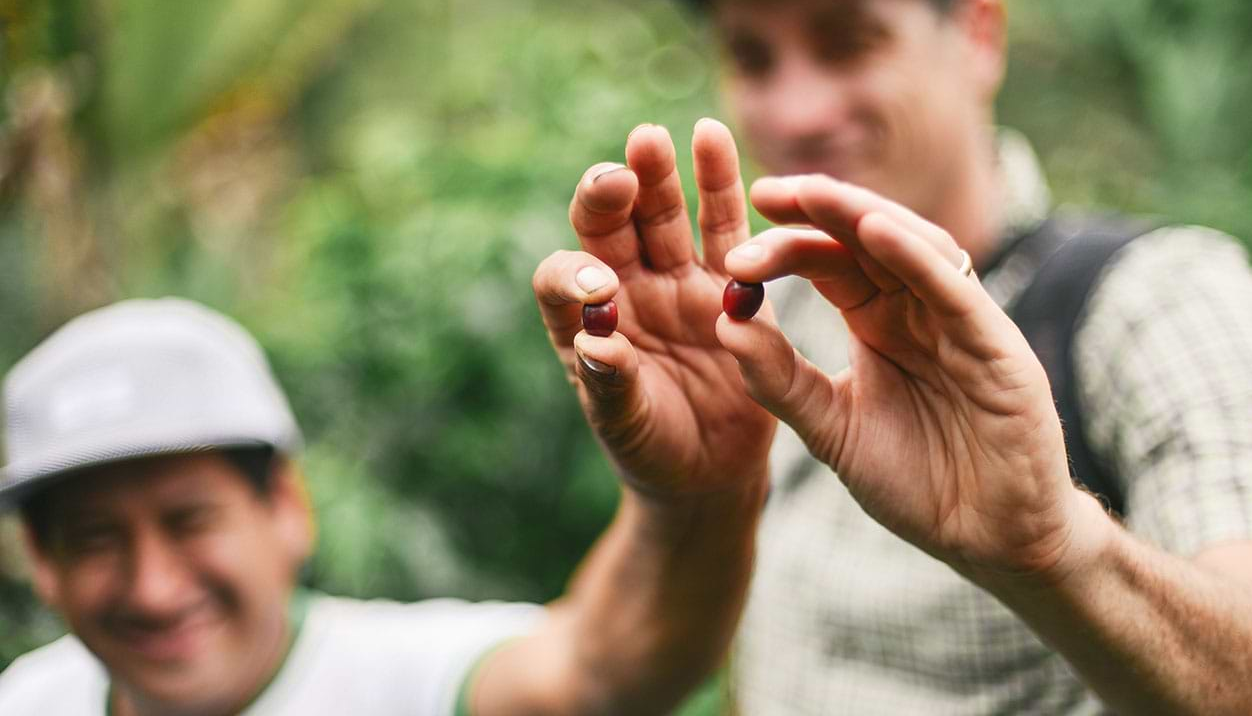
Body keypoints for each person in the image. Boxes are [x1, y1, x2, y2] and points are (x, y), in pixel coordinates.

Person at [532, 0, 1252, 712]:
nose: (799, 111)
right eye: (754, 59)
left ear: (979, 34)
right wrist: (702, 501)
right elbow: (615, 670)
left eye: (850, 42)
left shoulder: (1164, 304)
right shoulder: (767, 313)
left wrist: (1059, 554)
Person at [0, 296, 769, 715]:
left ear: (285, 508)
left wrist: (695, 491)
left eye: (188, 521)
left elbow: (605, 670)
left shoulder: (409, 682)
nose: (154, 588)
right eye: (95, 538)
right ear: (42, 560)